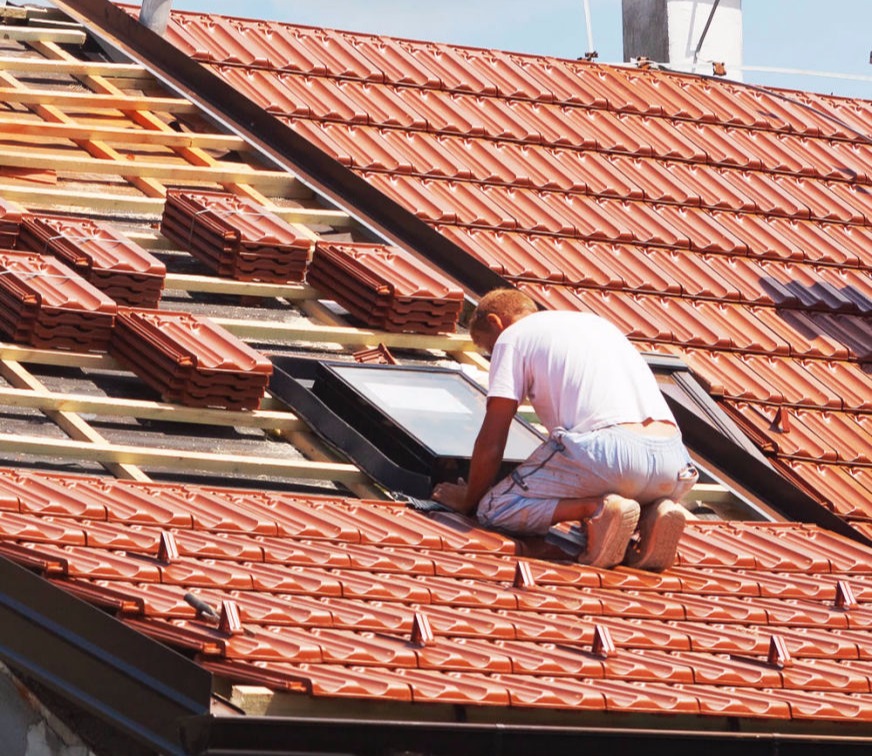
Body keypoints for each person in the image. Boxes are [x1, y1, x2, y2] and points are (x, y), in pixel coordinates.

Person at [431, 288, 698, 570]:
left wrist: (470, 500)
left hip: (609, 452)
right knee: (616, 480)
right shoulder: (599, 326)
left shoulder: (512, 337)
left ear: (497, 323)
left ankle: (597, 509)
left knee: (494, 507)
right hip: (675, 465)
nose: (494, 355)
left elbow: (493, 437)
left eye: (489, 348)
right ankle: (653, 512)